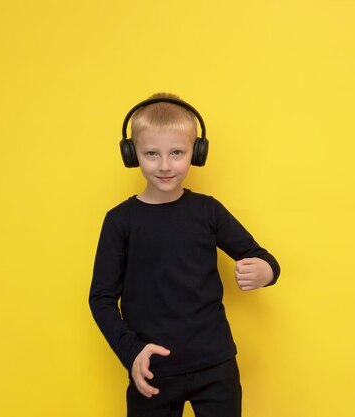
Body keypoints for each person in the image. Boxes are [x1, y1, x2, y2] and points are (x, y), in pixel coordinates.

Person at [89, 92, 280, 417]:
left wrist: (265, 270)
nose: (165, 165)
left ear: (197, 152)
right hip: (151, 366)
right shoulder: (120, 221)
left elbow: (260, 256)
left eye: (177, 153)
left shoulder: (208, 211)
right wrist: (131, 352)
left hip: (216, 365)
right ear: (132, 154)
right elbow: (102, 298)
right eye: (152, 153)